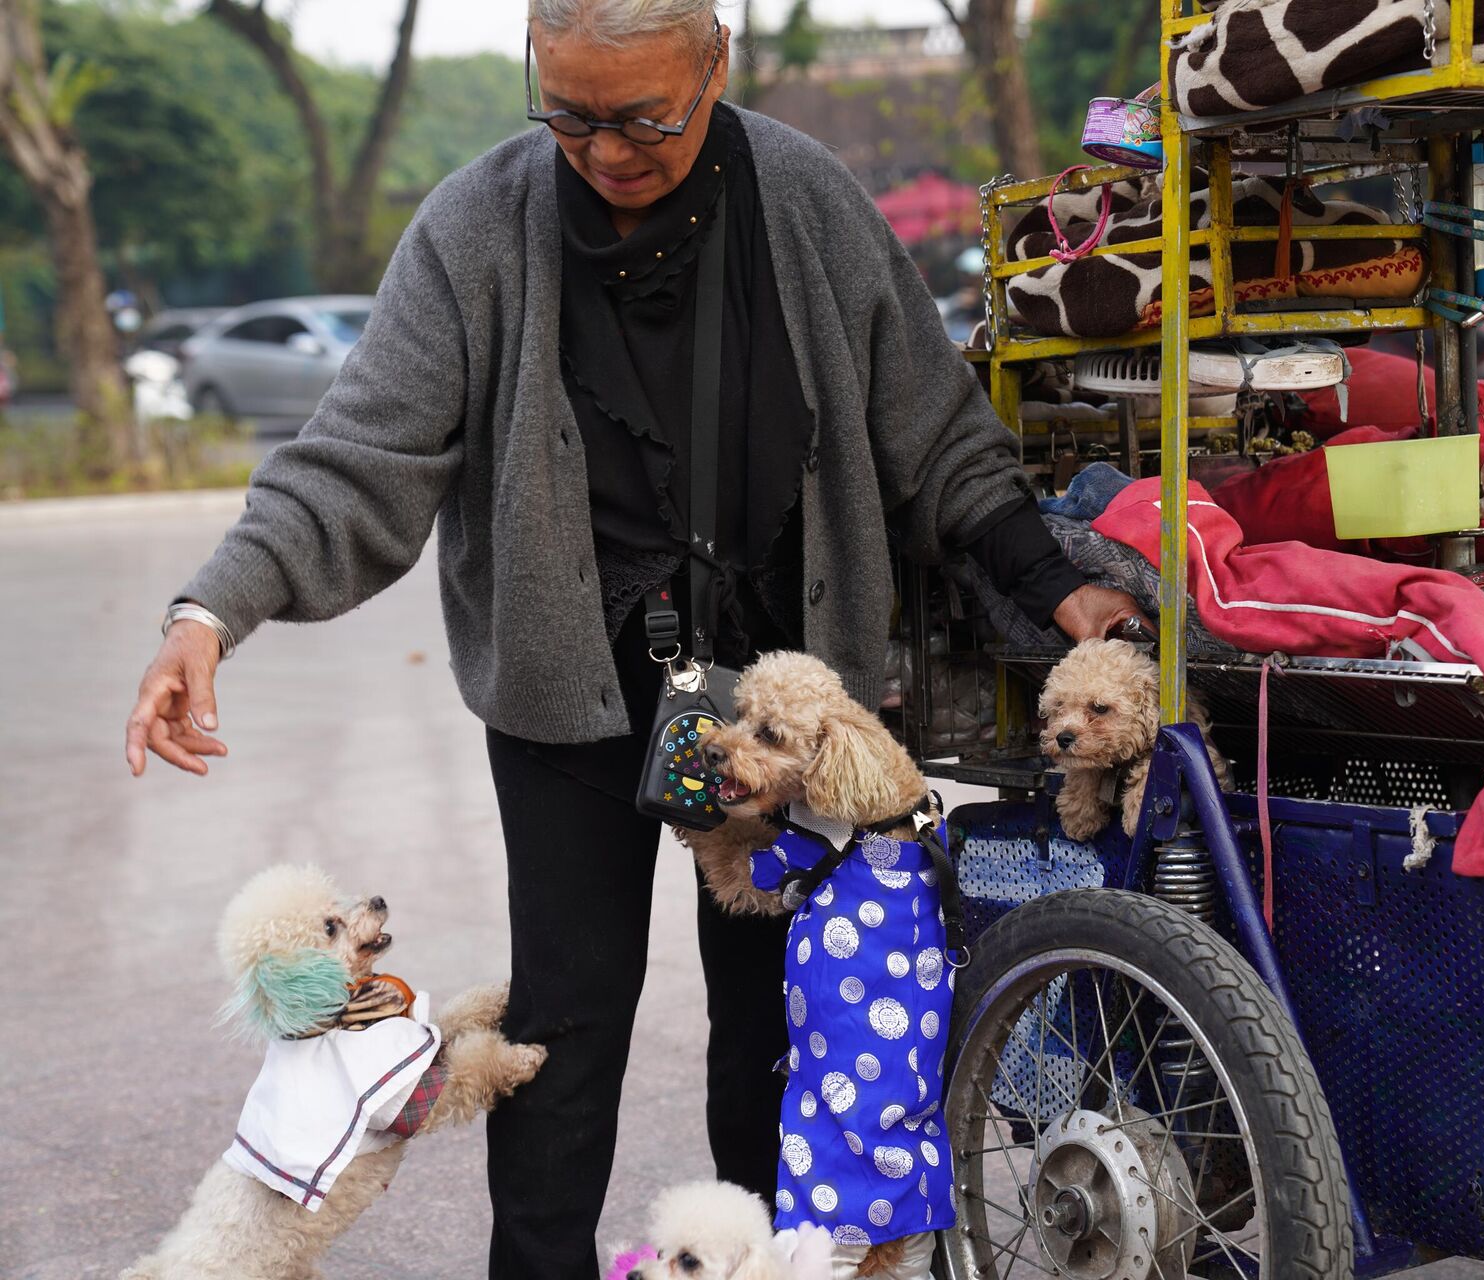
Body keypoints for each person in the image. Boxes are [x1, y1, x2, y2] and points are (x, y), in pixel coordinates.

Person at [121, 1, 1145, 1274]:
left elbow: (931, 433)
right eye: (570, 113)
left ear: (714, 66)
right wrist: (209, 611)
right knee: (564, 1026)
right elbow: (356, 457)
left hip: (783, 715)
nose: (606, 149)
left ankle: (774, 1265)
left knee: (783, 1025)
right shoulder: (476, 226)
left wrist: (1057, 588)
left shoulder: (807, 201)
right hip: (575, 700)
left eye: (645, 117)